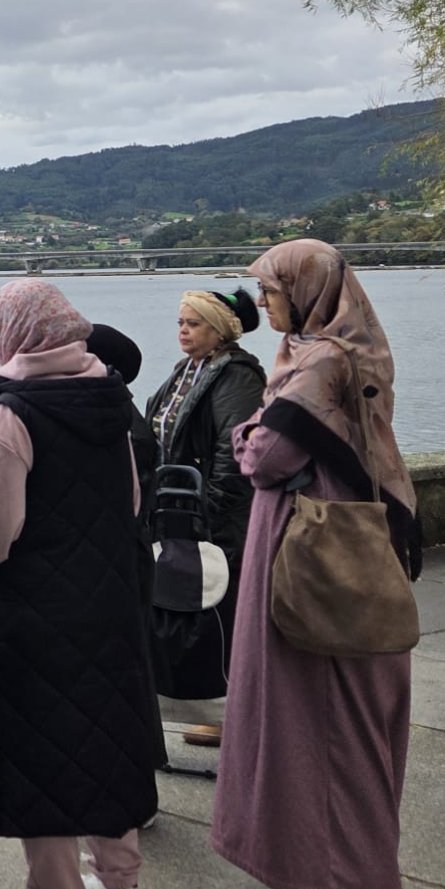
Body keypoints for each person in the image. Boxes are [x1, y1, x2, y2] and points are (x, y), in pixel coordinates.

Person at [211, 239, 419, 889]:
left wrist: (245, 433)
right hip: (331, 546)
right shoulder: (342, 350)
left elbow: (267, 453)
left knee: (327, 723)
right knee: (333, 719)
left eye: (271, 291)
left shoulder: (320, 360)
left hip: (312, 555)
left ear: (305, 292)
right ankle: (341, 879)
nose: (263, 302)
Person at [0, 280, 159, 889]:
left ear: (9, 332)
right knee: (105, 742)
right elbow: (127, 504)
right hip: (108, 606)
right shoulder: (111, 402)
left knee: (40, 754)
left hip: (31, 620)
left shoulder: (9, 418)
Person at [141, 288, 266, 746]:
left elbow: (234, 454)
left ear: (220, 329)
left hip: (211, 520)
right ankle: (215, 710)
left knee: (220, 615)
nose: (183, 331)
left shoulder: (237, 375)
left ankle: (230, 715)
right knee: (193, 612)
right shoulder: (188, 370)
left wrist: (206, 515)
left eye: (193, 324)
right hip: (178, 511)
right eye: (180, 322)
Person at [85, 323, 170, 781]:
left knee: (128, 666)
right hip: (132, 553)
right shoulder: (127, 414)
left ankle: (138, 766)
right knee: (133, 664)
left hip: (124, 556)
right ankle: (144, 759)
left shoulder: (123, 427)